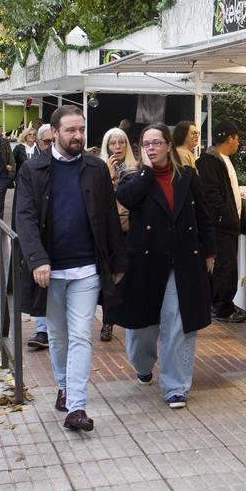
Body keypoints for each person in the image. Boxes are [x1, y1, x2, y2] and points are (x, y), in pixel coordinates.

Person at [14, 105, 127, 431]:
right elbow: (25, 218)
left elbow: (108, 216)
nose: (77, 135)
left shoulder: (95, 168)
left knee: (80, 336)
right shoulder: (33, 170)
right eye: (70, 131)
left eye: (81, 130)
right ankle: (63, 386)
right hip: (49, 273)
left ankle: (77, 406)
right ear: (55, 133)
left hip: (87, 271)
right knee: (59, 336)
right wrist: (38, 259)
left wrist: (118, 261)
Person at [107, 124, 215, 409]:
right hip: (144, 262)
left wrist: (210, 252)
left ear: (169, 145)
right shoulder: (135, 177)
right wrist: (146, 171)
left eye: (156, 143)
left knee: (177, 323)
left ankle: (175, 386)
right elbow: (126, 199)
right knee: (142, 328)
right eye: (146, 144)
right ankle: (143, 365)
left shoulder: (187, 176)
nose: (151, 148)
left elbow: (202, 214)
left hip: (181, 261)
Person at [196, 122, 246, 323]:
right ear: (229, 138)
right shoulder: (211, 162)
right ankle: (222, 307)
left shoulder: (219, 160)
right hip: (221, 227)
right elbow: (211, 196)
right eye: (237, 138)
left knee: (225, 265)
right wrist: (222, 217)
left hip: (225, 224)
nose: (238, 143)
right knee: (225, 266)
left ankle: (221, 304)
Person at [97, 126, 138, 342]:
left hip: (129, 230)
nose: (117, 147)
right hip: (107, 232)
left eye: (121, 142)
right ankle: (108, 322)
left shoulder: (135, 169)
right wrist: (110, 177)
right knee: (110, 277)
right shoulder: (98, 169)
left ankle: (131, 319)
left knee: (128, 276)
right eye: (113, 143)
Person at [27, 125, 58, 351]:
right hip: (41, 238)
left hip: (64, 242)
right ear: (39, 143)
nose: (50, 145)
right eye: (46, 142)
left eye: (52, 141)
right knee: (42, 284)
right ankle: (41, 330)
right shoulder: (32, 168)